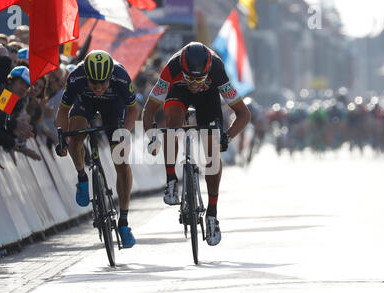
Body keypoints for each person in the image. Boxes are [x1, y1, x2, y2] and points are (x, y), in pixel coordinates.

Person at [142, 42, 251, 246]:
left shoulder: (217, 70)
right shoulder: (172, 67)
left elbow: (244, 114)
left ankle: (212, 213)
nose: (194, 83)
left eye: (199, 79)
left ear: (207, 71)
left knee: (212, 150)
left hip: (208, 98)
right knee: (172, 122)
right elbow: (148, 111)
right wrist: (153, 137)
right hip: (178, 92)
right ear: (182, 69)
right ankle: (172, 179)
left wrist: (227, 136)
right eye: (189, 78)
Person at [55, 50, 139, 248]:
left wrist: (124, 133)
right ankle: (82, 177)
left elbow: (133, 109)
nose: (99, 88)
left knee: (121, 161)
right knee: (75, 138)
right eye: (94, 84)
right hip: (85, 104)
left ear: (110, 77)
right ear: (87, 77)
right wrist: (62, 138)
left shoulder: (120, 76)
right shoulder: (76, 76)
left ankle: (124, 222)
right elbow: (63, 110)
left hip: (113, 107)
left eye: (103, 83)